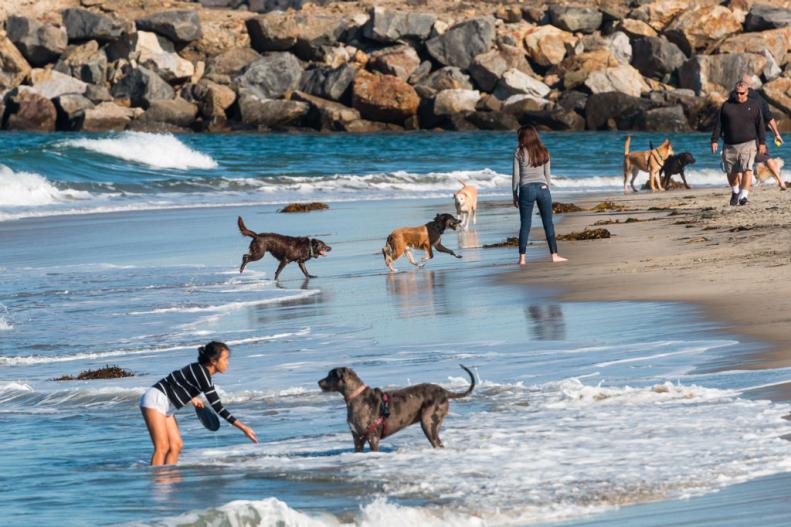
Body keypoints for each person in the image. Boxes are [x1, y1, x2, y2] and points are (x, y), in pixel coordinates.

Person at [140, 341, 258, 465]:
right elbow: (218, 407)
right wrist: (243, 428)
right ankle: (158, 482)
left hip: (168, 405)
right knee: (162, 447)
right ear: (213, 361)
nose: (227, 363)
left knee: (176, 445)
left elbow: (179, 381)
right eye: (225, 359)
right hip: (155, 399)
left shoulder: (199, 371)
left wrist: (192, 397)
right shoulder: (202, 374)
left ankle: (169, 479)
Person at [512, 125, 567, 265]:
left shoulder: (519, 152)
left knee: (525, 224)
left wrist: (514, 194)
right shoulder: (544, 151)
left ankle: (522, 258)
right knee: (548, 223)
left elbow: (516, 176)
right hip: (543, 189)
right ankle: (554, 255)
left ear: (523, 137)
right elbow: (547, 175)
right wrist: (546, 188)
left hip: (526, 189)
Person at [711, 80, 767, 206]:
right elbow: (718, 125)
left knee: (747, 169)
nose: (739, 96)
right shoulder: (726, 106)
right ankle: (735, 191)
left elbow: (760, 126)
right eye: (736, 93)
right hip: (729, 145)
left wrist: (762, 143)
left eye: (741, 93)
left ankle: (744, 195)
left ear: (747, 92)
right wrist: (714, 140)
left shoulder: (754, 105)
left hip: (749, 143)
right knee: (731, 172)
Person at [741, 74, 786, 190]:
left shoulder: (738, 96)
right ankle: (780, 181)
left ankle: (741, 186)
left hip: (743, 135)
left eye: (741, 83)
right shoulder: (761, 100)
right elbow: (770, 119)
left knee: (741, 160)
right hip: (757, 135)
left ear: (743, 84)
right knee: (766, 158)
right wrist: (777, 134)